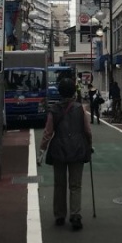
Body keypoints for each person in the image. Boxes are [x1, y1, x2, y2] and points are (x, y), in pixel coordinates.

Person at [37, 78, 93, 231]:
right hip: (77, 150)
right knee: (75, 185)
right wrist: (90, 145)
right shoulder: (79, 108)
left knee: (59, 184)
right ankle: (75, 215)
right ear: (73, 92)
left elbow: (48, 133)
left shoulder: (54, 110)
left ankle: (60, 215)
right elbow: (87, 131)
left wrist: (41, 151)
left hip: (58, 151)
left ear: (60, 92)